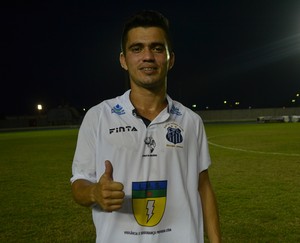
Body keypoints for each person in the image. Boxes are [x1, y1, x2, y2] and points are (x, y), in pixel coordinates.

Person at [71, 10, 221, 243]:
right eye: (137, 48)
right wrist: (94, 192)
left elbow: (204, 187)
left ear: (170, 59)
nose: (147, 56)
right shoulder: (98, 116)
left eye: (157, 48)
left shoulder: (190, 120)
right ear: (123, 60)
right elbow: (79, 182)